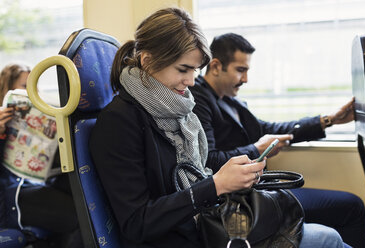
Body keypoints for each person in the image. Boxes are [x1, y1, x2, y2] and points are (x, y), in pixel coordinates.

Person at [89, 8, 347, 248]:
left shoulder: (175, 109)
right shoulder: (119, 122)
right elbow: (137, 224)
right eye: (183, 69)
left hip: (205, 223)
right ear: (147, 60)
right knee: (328, 239)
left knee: (325, 235)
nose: (191, 81)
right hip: (185, 237)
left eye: (195, 70)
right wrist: (215, 185)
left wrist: (225, 180)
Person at [190, 33, 365, 248]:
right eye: (240, 70)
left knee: (350, 205)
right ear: (216, 66)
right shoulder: (199, 99)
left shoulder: (230, 100)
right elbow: (209, 160)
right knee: (351, 207)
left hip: (260, 189)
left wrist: (328, 120)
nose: (245, 79)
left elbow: (268, 129)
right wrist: (256, 149)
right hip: (244, 198)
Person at [0, 63, 82, 247]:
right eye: (24, 87)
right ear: (6, 88)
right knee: (78, 216)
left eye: (33, 87)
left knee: (82, 198)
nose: (30, 92)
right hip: (13, 192)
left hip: (37, 181)